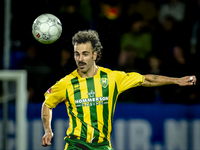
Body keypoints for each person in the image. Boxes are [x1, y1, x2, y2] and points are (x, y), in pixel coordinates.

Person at [41, 30, 196, 150]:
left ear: (95, 55)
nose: (80, 59)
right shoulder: (67, 83)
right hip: (76, 145)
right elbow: (47, 104)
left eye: (85, 54)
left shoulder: (112, 78)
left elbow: (145, 79)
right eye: (77, 54)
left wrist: (176, 80)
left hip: (103, 145)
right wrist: (48, 130)